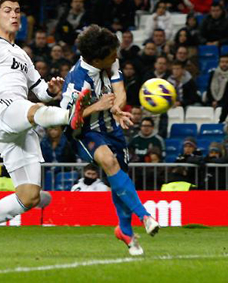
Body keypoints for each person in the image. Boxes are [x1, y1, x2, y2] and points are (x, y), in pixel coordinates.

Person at [0, 0, 91, 254]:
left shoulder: (22, 54)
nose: (14, 15)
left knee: (29, 196)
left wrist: (52, 90)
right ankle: (70, 116)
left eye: (17, 10)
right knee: (36, 111)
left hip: (20, 119)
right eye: (7, 10)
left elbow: (40, 90)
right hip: (1, 109)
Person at [61, 24, 159, 256]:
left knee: (119, 179)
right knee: (109, 163)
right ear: (97, 60)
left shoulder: (109, 62)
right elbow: (65, 118)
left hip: (111, 129)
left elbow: (120, 91)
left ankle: (125, 231)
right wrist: (96, 106)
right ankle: (144, 216)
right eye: (112, 54)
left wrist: (116, 108)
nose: (117, 56)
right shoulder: (77, 82)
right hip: (84, 132)